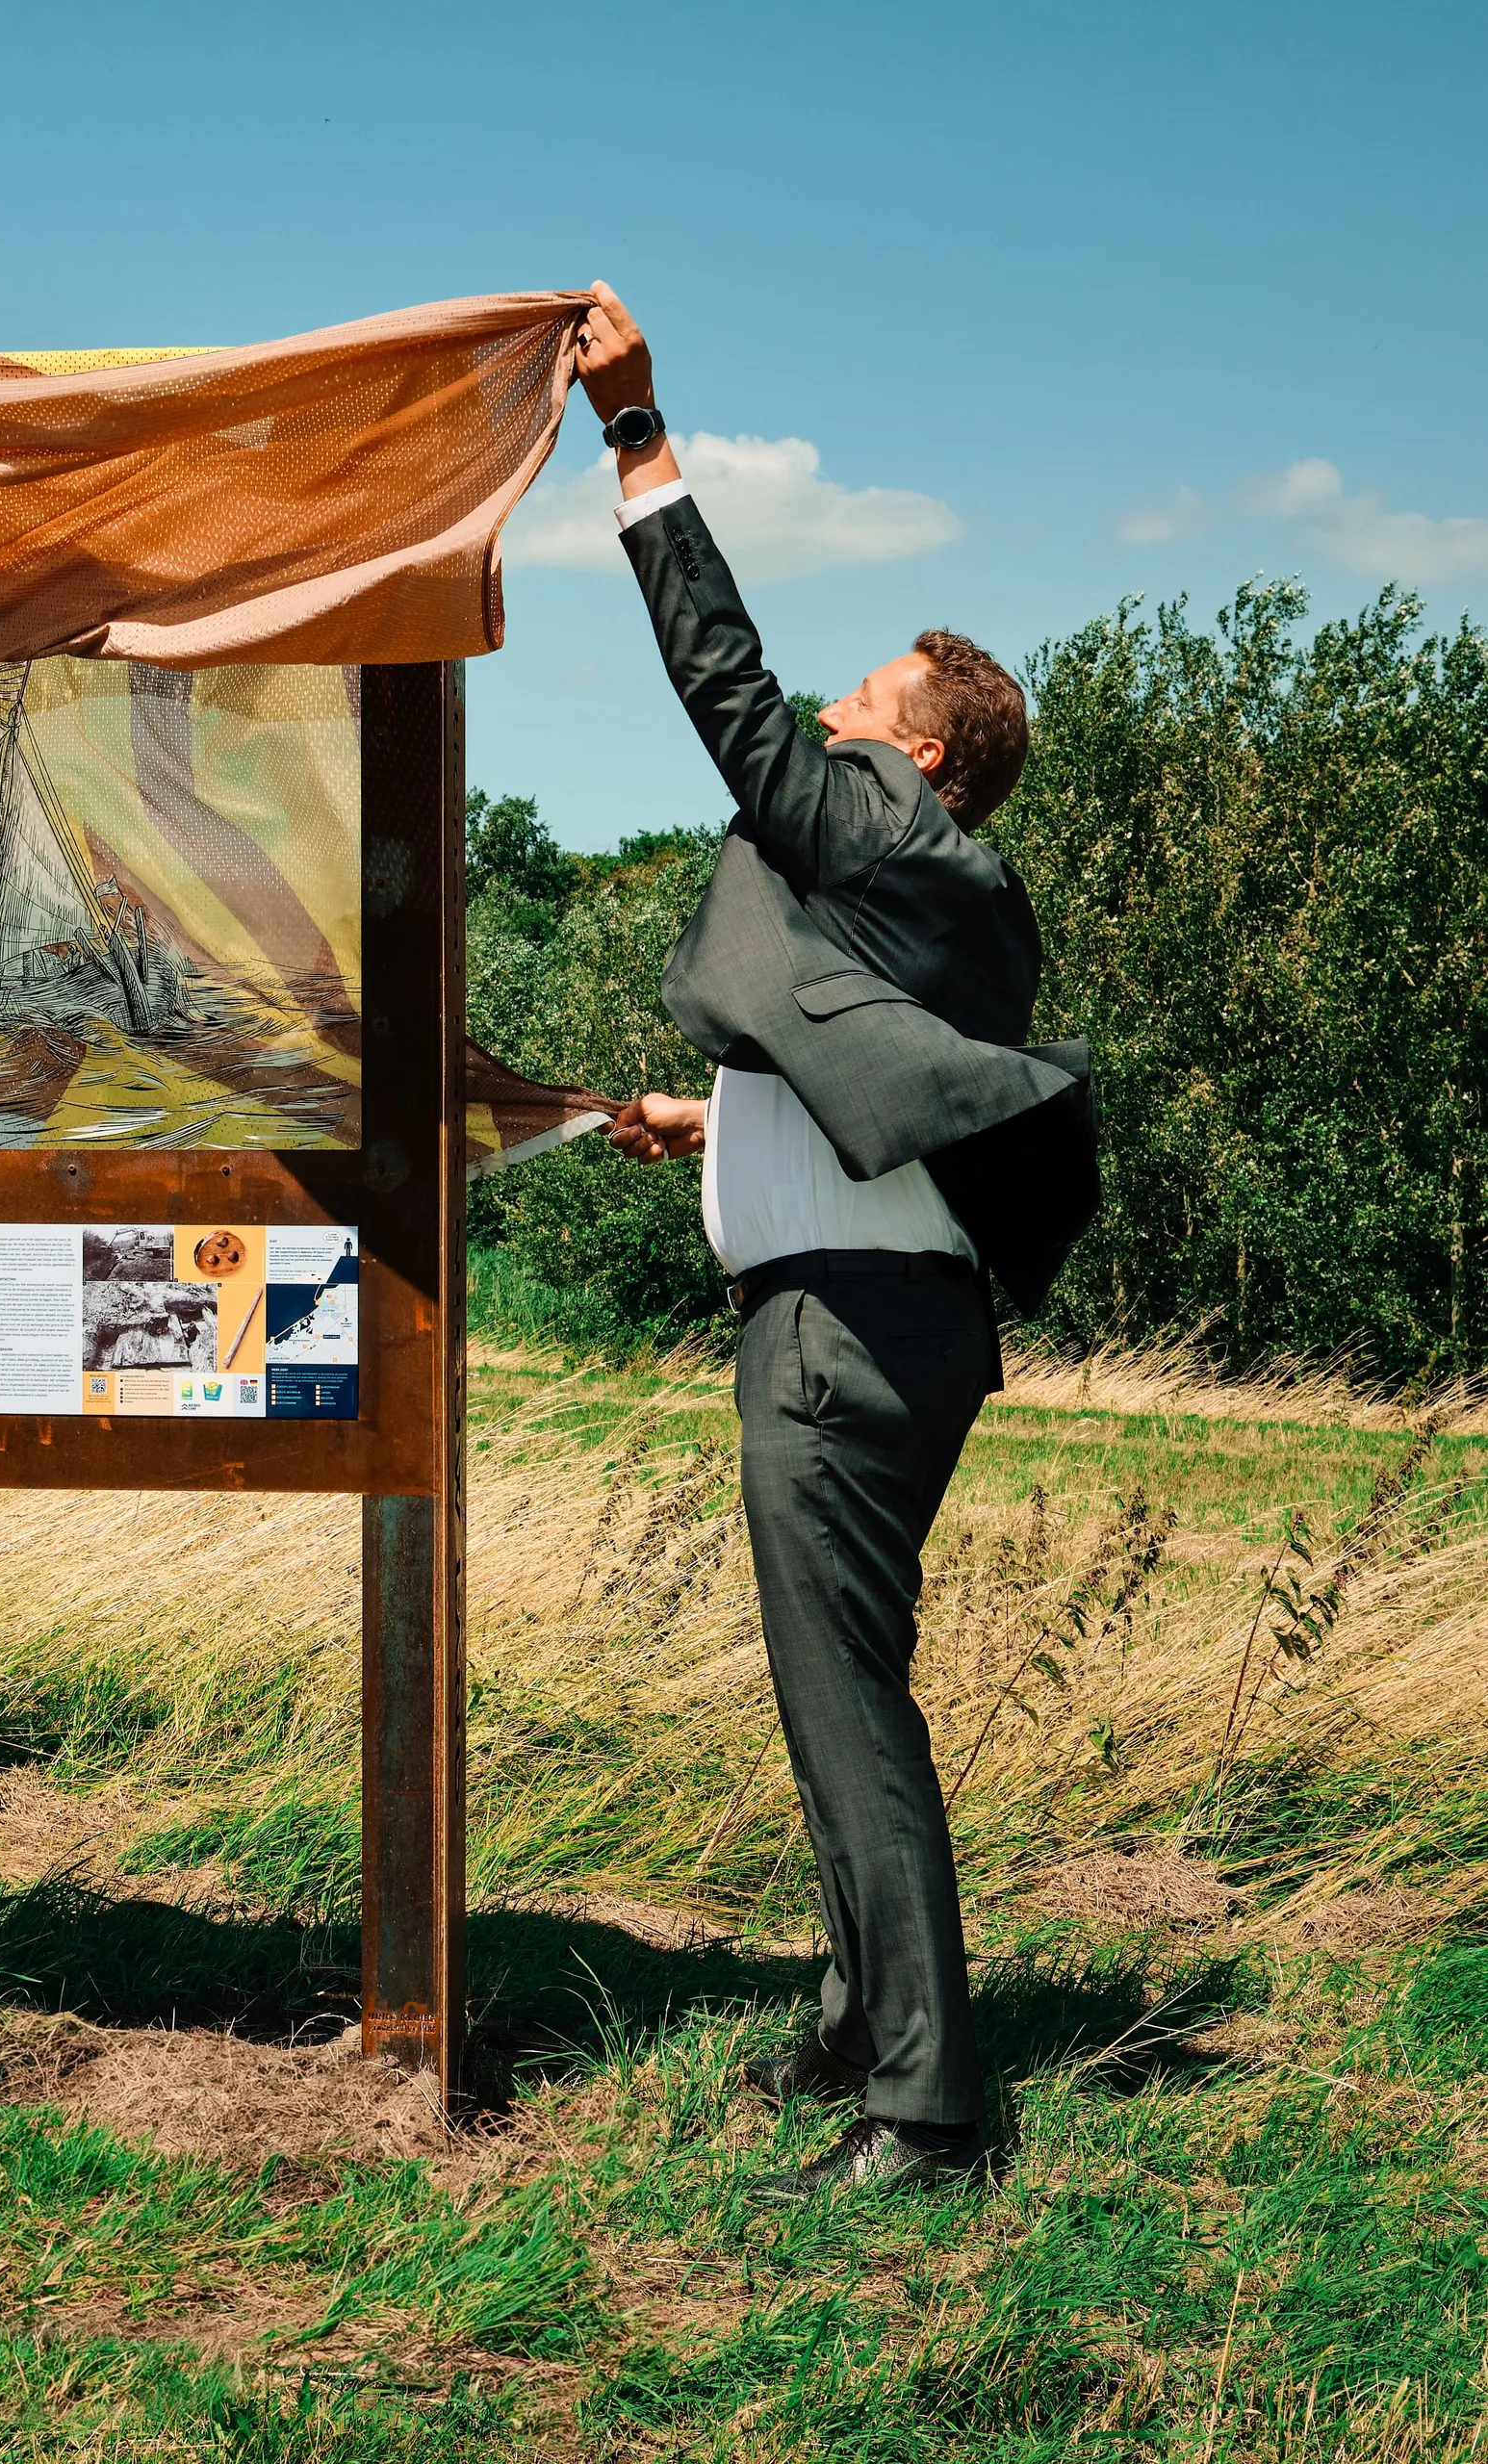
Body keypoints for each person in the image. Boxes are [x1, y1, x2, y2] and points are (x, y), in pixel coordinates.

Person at [574, 282, 1097, 2201]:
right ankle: (863, 2024)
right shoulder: (910, 902)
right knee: (832, 1689)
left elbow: (727, 698)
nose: (823, 721)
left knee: (848, 1706)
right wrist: (702, 1121)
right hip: (871, 1306)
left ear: (927, 765)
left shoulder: (910, 846)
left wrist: (636, 439)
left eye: (864, 714)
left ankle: (926, 2109)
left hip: (844, 1339)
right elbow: (865, 1087)